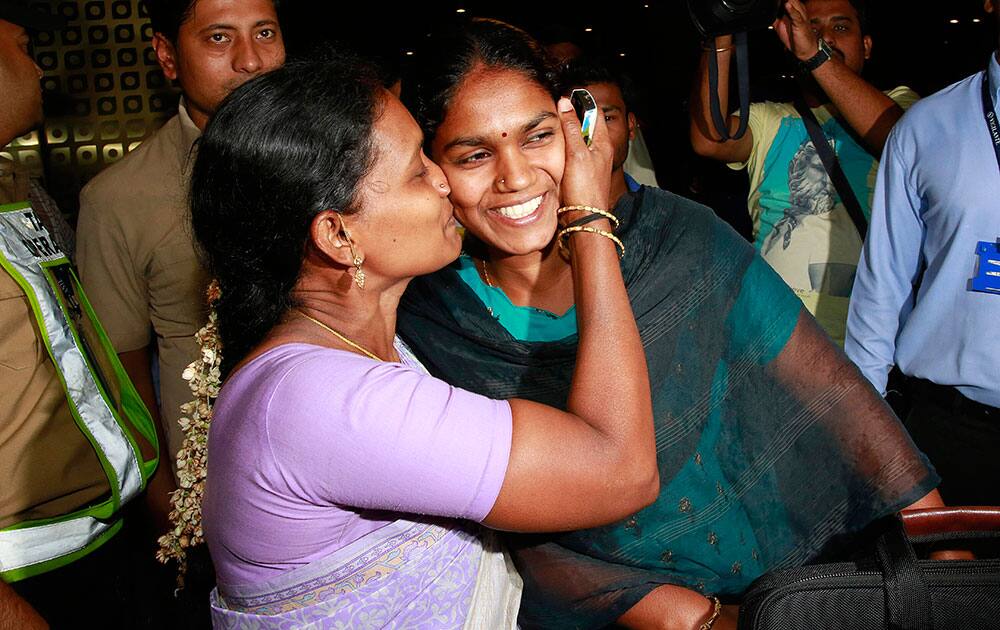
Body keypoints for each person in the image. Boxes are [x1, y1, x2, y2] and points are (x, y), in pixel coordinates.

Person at [397, 18, 944, 629]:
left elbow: (842, 405)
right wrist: (698, 619)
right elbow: (524, 537)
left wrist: (942, 557)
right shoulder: (429, 322)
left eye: (536, 137)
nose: (517, 178)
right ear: (431, 167)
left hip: (796, 588)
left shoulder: (681, 240)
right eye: (474, 154)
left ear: (573, 127)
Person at [191, 54, 661, 627]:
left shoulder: (350, 354)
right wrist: (588, 221)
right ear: (338, 235)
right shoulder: (322, 401)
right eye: (418, 169)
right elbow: (620, 470)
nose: (444, 179)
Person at [75, 0, 286, 480]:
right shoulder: (119, 198)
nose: (250, 59)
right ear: (167, 56)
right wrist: (162, 501)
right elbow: (118, 371)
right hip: (217, 480)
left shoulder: (347, 157)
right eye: (219, 37)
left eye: (266, 33)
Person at [0, 1, 159, 626]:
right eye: (21, 48)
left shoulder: (19, 188)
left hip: (99, 538)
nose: (41, 70)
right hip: (27, 573)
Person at [690, 0, 917, 346]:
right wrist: (719, 34)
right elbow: (710, 139)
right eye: (812, 28)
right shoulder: (772, 119)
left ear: (867, 46)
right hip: (770, 335)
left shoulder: (899, 107)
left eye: (840, 27)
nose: (824, 37)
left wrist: (815, 54)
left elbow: (902, 142)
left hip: (868, 339)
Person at [845, 1, 1000, 507]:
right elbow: (880, 290)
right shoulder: (926, 128)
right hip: (950, 435)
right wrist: (864, 436)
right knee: (946, 585)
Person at [559, 55, 645, 205]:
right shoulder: (540, 220)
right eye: (580, 119)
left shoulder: (673, 217)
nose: (592, 131)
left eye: (607, 118)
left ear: (630, 125)